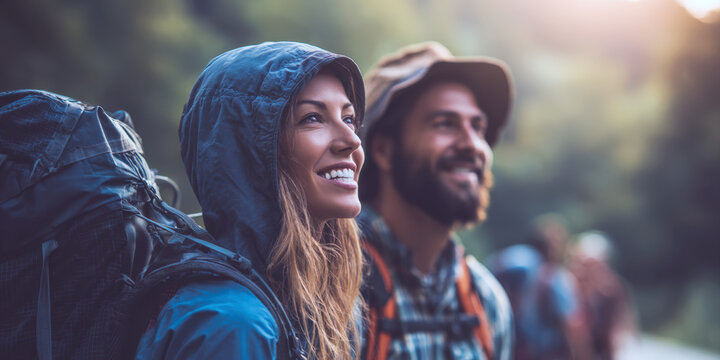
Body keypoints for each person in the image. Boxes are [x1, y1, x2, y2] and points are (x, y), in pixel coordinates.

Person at [134, 42, 366, 360]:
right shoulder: (234, 325)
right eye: (312, 118)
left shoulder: (311, 303)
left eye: (349, 118)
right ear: (248, 152)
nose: (352, 140)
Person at [357, 42, 514, 360]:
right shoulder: (334, 297)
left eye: (478, 127)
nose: (473, 145)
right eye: (445, 124)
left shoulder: (485, 301)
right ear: (384, 151)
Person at [487, 215, 593, 360]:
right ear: (555, 247)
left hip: (502, 348)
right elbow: (572, 325)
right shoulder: (555, 278)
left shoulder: (505, 260)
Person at [570, 231, 636, 360]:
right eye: (583, 263)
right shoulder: (568, 284)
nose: (586, 270)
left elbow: (618, 323)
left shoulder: (612, 288)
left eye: (593, 265)